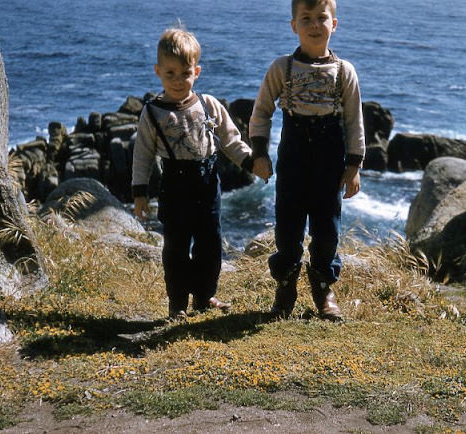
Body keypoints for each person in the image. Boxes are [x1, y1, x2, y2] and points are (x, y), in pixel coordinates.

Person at [132, 28, 271, 318]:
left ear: (197, 71)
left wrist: (251, 163)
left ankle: (205, 296)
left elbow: (232, 141)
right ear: (158, 72)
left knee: (210, 243)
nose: (178, 81)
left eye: (185, 73)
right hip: (174, 185)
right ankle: (178, 303)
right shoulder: (153, 112)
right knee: (176, 247)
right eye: (170, 73)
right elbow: (143, 154)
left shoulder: (208, 104)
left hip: (208, 183)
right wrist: (140, 194)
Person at [249, 0, 365, 320]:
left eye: (321, 18)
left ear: (334, 24)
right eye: (306, 19)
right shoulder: (282, 67)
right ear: (293, 25)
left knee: (327, 230)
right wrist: (258, 154)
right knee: (288, 227)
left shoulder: (344, 71)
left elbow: (355, 121)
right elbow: (261, 111)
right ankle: (285, 288)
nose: (314, 25)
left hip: (330, 160)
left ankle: (323, 289)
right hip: (293, 158)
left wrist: (353, 167)